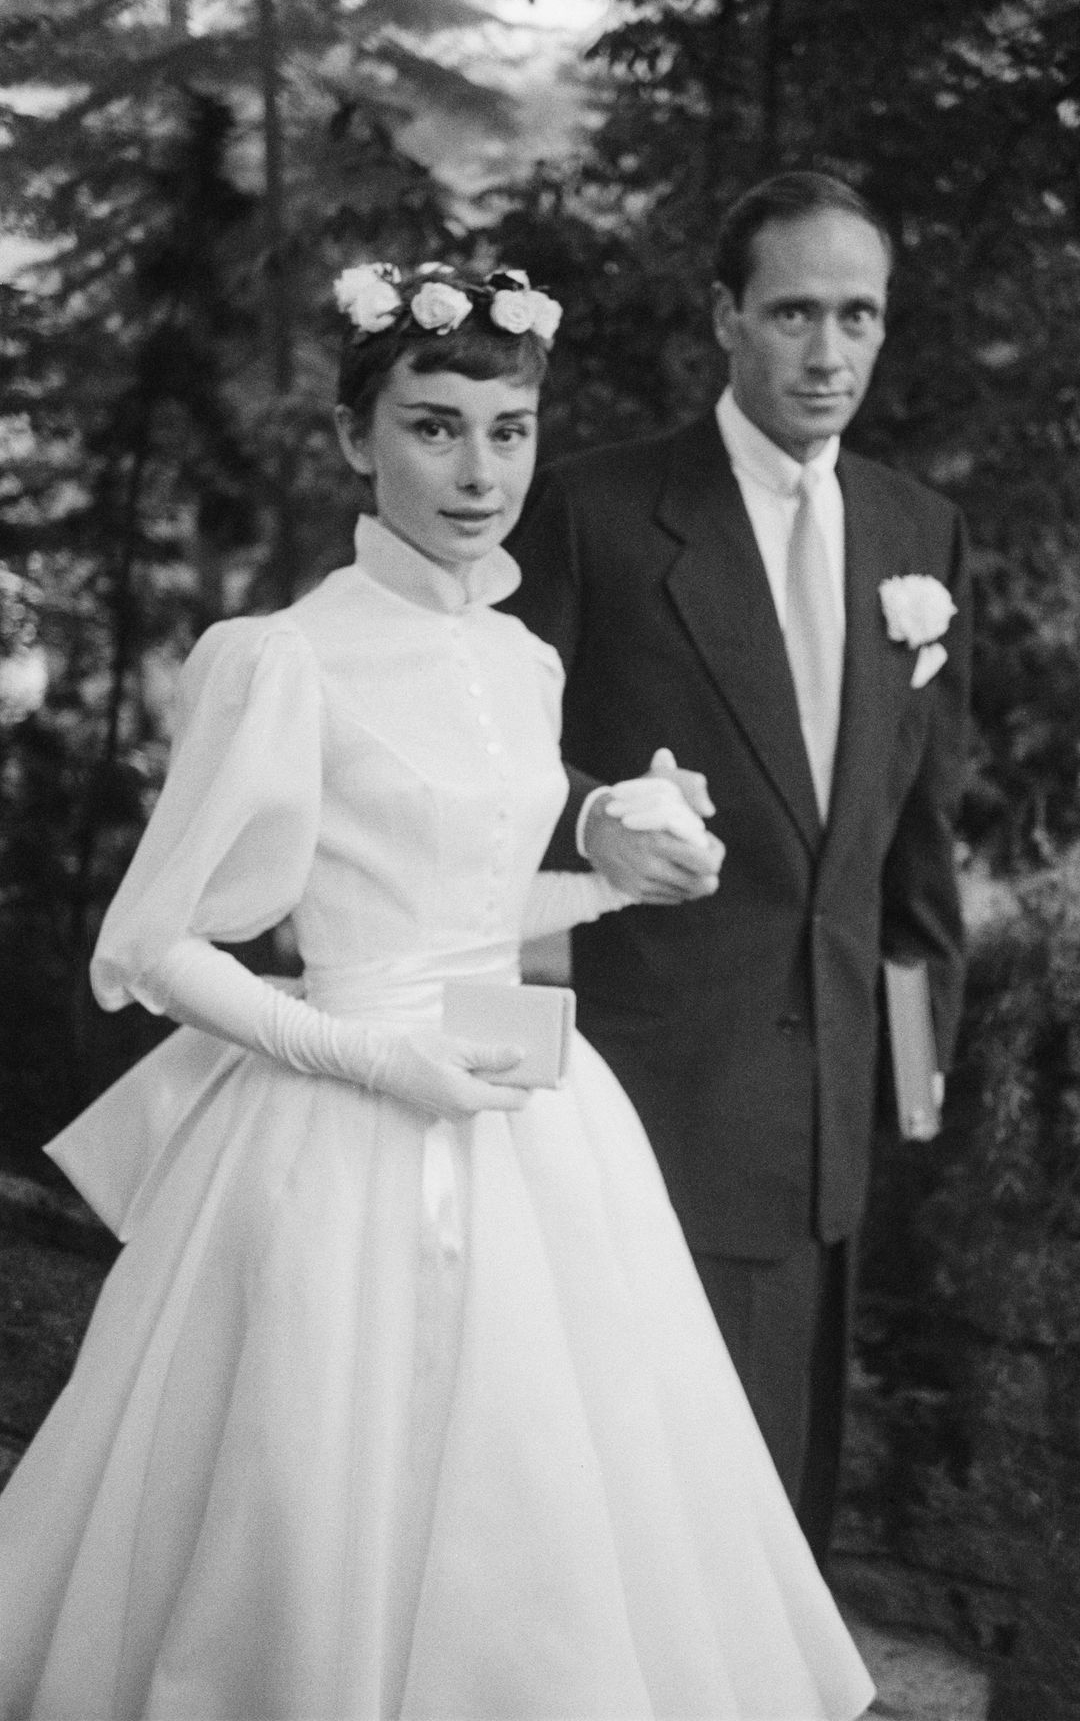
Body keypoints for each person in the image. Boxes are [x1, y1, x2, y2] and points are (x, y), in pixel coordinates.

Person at [0, 259, 874, 1720]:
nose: (479, 470)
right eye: (434, 425)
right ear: (357, 439)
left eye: (509, 429)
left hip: (529, 1107)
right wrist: (361, 1060)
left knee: (545, 1493)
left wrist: (610, 878)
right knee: (324, 1488)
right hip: (340, 1133)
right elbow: (154, 948)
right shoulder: (281, 659)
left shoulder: (521, 660)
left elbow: (463, 914)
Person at [504, 171, 972, 1566]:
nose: (828, 353)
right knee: (649, 1511)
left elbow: (919, 844)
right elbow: (488, 771)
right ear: (725, 315)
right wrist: (603, 816)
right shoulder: (594, 513)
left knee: (783, 1513)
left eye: (858, 316)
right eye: (793, 314)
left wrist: (915, 1064)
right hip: (646, 1086)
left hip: (835, 1105)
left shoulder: (919, 536)